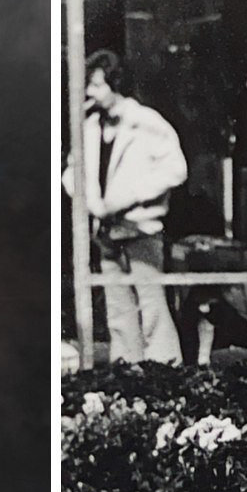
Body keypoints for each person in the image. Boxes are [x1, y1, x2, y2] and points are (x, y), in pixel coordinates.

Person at [63, 50, 188, 364]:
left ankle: (164, 372)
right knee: (118, 309)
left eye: (96, 86)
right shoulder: (89, 126)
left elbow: (175, 168)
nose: (89, 93)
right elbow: (71, 171)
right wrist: (91, 201)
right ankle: (127, 374)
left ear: (115, 84)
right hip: (106, 232)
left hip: (140, 229)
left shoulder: (146, 121)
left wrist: (133, 195)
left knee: (152, 304)